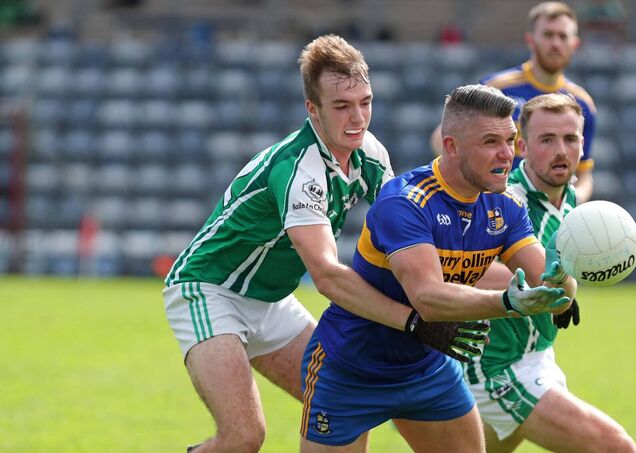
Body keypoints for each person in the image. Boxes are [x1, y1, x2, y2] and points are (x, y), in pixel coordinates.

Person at [163, 34, 487, 453]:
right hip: (210, 291)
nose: (358, 118)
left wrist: (504, 290)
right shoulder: (300, 169)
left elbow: (405, 239)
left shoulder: (369, 152)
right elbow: (328, 277)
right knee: (243, 437)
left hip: (271, 301)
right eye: (341, 106)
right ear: (312, 110)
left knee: (349, 398)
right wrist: (415, 322)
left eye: (365, 102)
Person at [300, 84, 578, 452]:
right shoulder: (405, 201)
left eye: (510, 140)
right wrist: (508, 303)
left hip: (427, 367)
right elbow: (428, 299)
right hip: (350, 367)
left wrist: (564, 283)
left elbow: (551, 285)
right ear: (451, 146)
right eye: (490, 142)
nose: (506, 154)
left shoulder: (506, 205)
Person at [466, 92, 636, 453]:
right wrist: (542, 282)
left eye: (570, 139)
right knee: (615, 448)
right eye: (547, 140)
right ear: (523, 146)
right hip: (498, 367)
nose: (561, 150)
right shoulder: (505, 200)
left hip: (537, 355)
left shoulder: (571, 201)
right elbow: (466, 269)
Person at [430, 1, 598, 204]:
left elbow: (584, 174)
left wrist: (570, 204)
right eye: (548, 35)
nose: (555, 43)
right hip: (496, 208)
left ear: (574, 44)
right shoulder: (497, 87)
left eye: (563, 36)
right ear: (530, 40)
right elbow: (441, 140)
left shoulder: (582, 104)